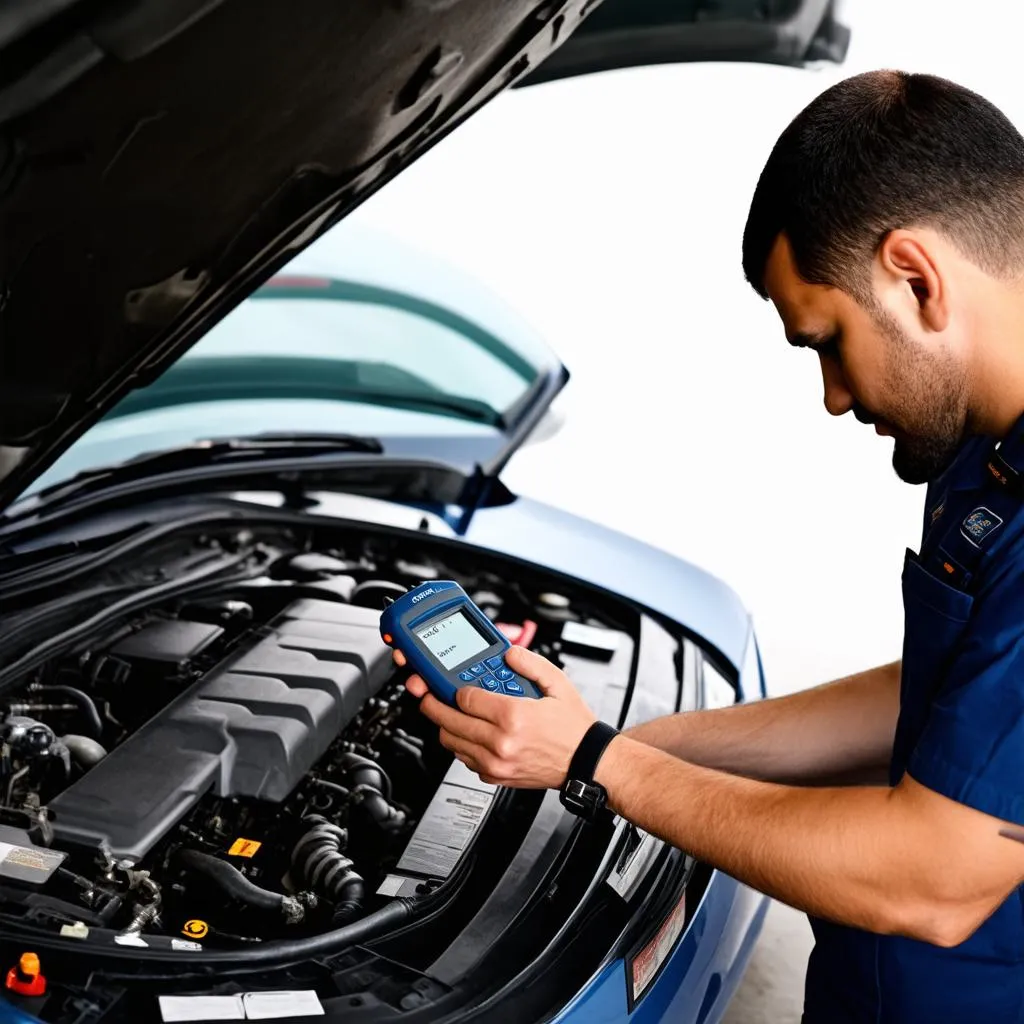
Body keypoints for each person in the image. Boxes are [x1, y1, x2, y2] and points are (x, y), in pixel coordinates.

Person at [393, 70, 1024, 1022]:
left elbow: (936, 881)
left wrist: (602, 763)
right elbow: (946, 691)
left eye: (827, 341)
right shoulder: (983, 446)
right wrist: (635, 743)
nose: (836, 397)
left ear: (915, 276)